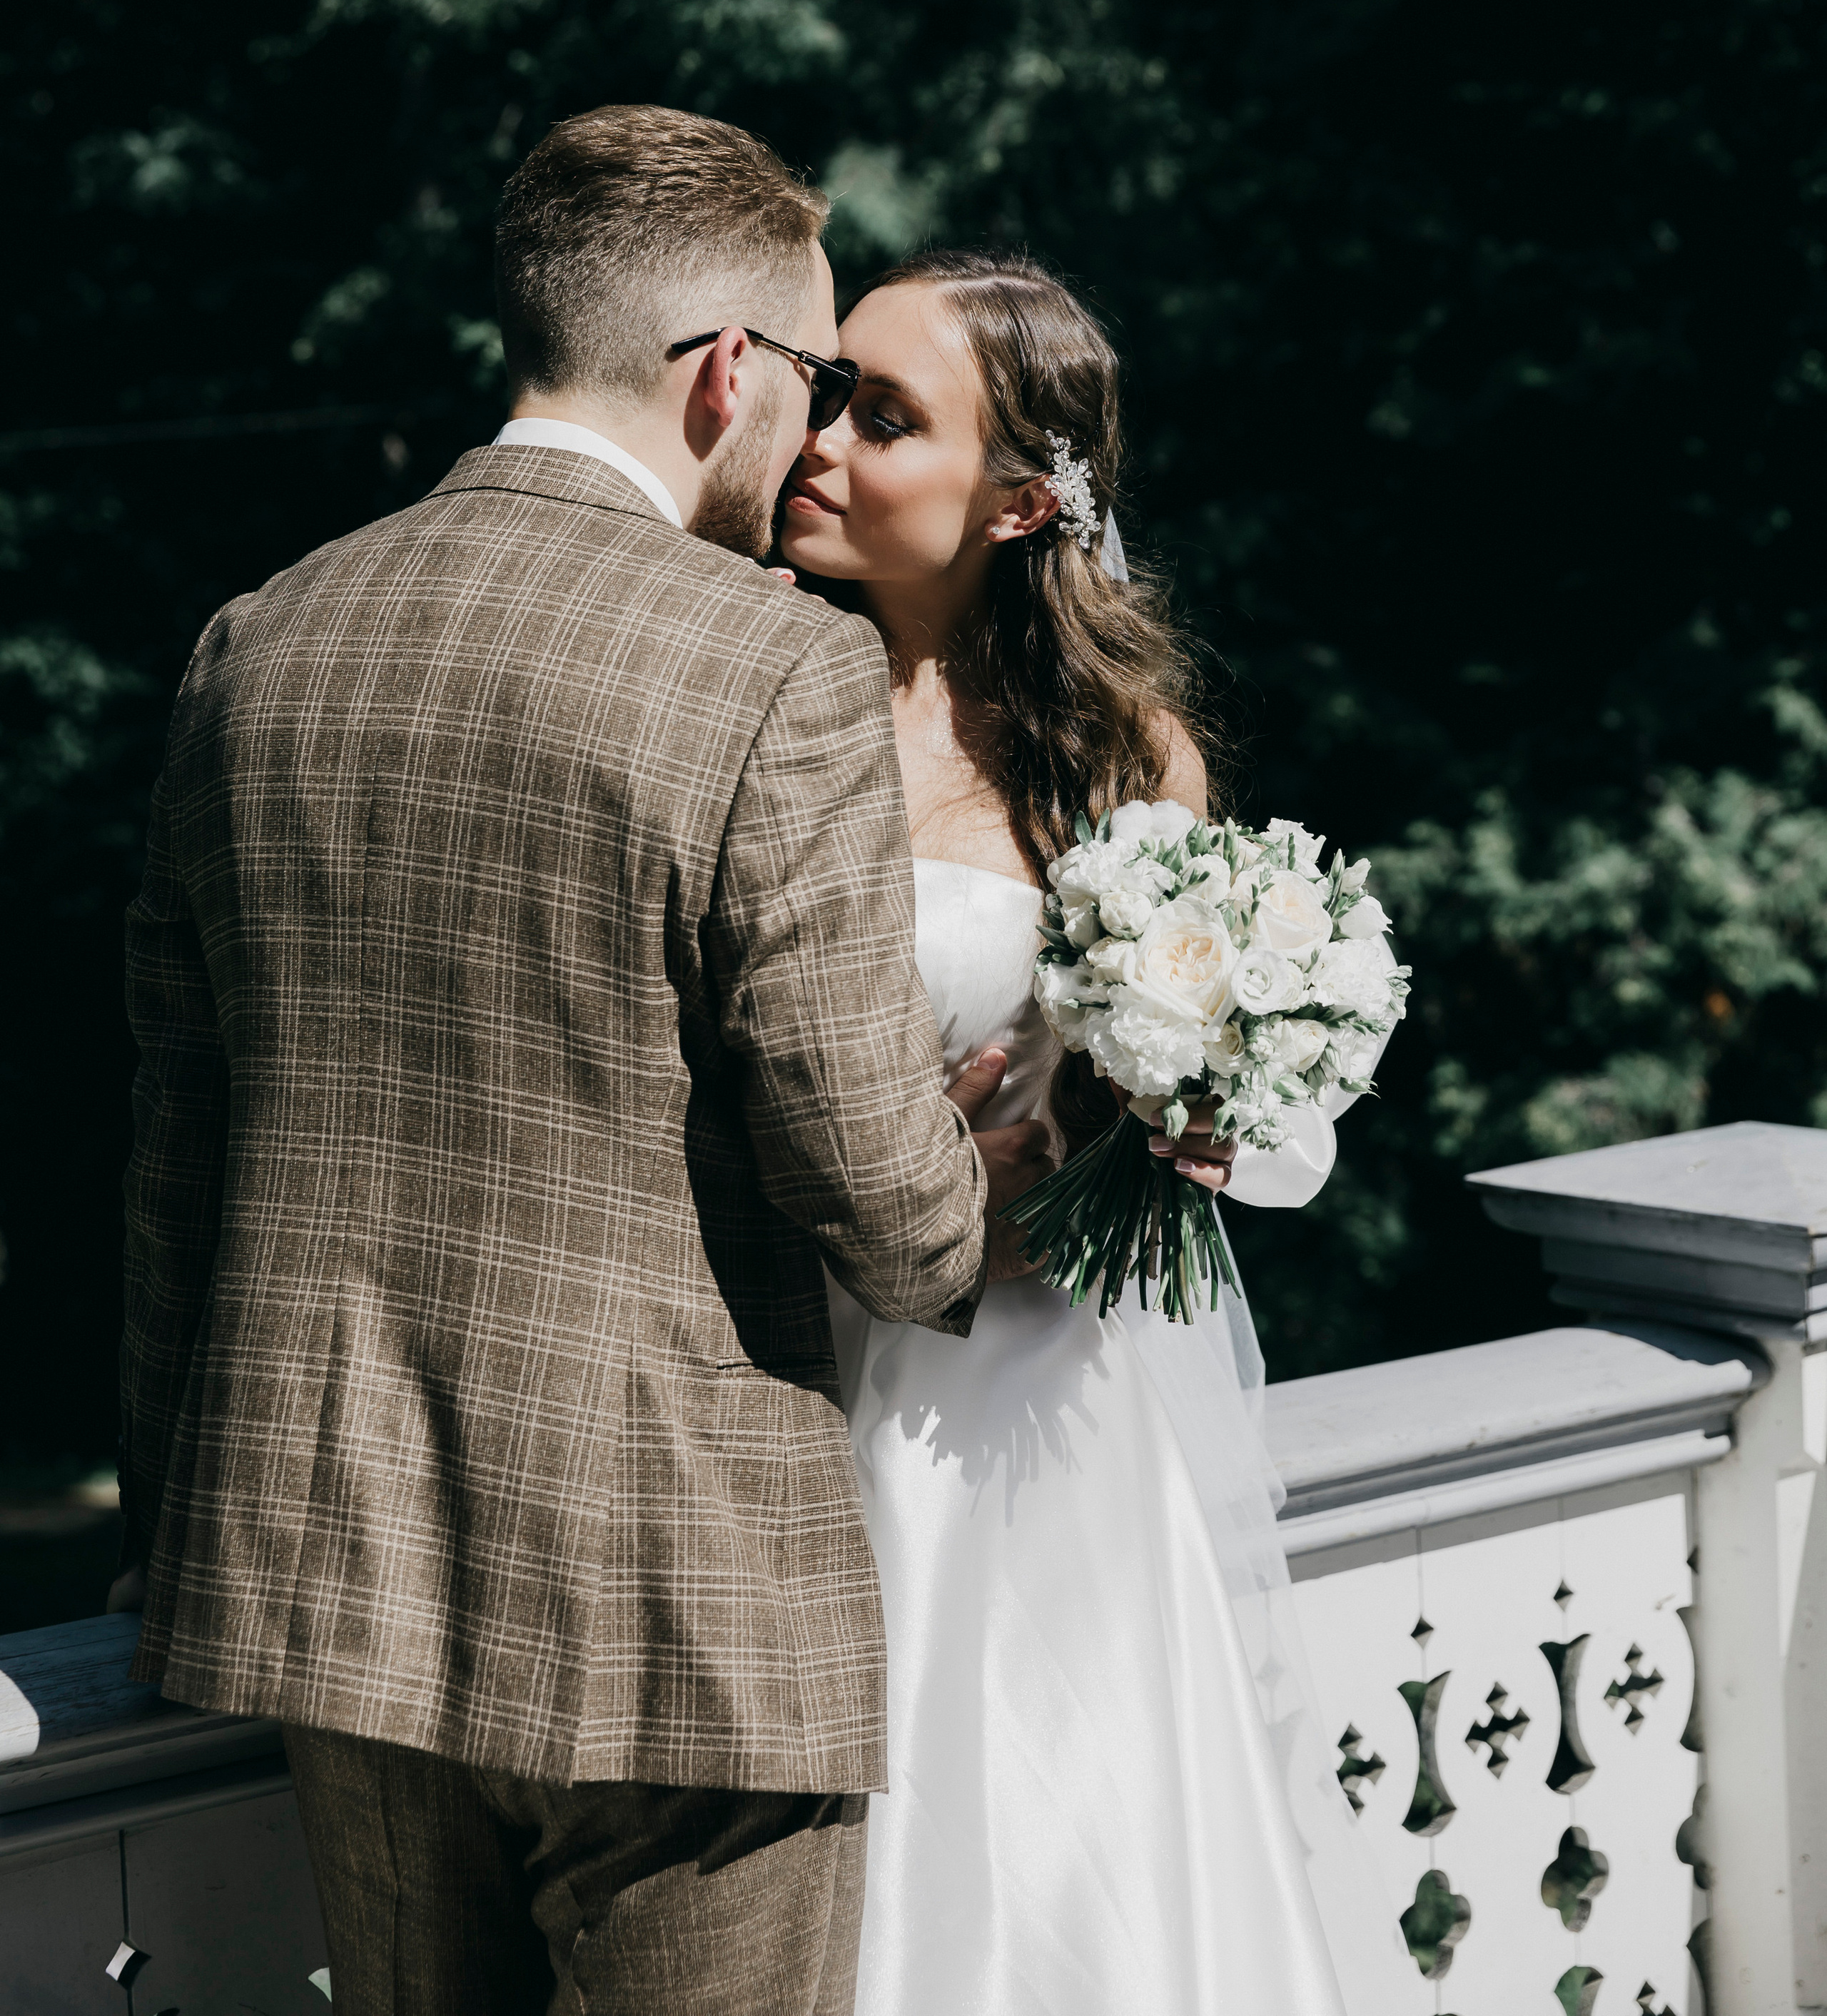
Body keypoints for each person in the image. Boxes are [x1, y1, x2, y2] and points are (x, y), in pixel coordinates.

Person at [114, 110, 1057, 2016]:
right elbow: (868, 1181)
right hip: (677, 1618)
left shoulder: (257, 642)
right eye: (811, 387)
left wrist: (162, 1519)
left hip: (334, 1590)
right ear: (729, 375)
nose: (809, 439)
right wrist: (1000, 1206)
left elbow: (174, 1150)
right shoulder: (766, 661)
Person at [779, 250, 1414, 2015]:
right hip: (801, 1374)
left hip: (1054, 1393)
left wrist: (1181, 1125)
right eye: (825, 391)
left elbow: (1219, 1082)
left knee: (1085, 1856)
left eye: (881, 415)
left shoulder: (1117, 755)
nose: (817, 438)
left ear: (1015, 501)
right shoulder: (749, 706)